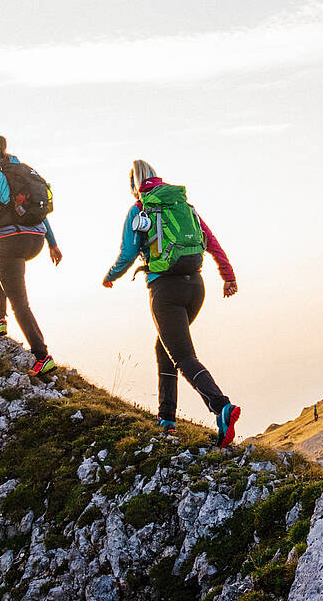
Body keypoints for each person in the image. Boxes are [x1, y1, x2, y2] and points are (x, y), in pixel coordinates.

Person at [103, 158, 242, 446]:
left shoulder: (140, 208)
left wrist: (111, 275)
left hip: (166, 291)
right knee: (164, 346)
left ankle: (221, 406)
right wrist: (228, 276)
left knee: (184, 356)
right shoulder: (183, 206)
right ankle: (167, 419)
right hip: (196, 287)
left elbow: (128, 253)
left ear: (134, 186)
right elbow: (211, 241)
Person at [0, 134, 62, 376]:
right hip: (36, 241)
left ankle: (42, 356)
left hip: (12, 241)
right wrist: (53, 244)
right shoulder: (23, 170)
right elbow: (41, 213)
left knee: (20, 302)